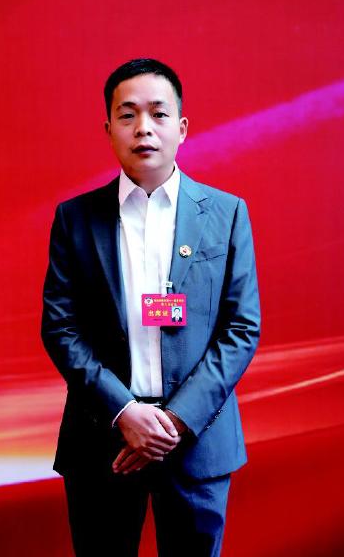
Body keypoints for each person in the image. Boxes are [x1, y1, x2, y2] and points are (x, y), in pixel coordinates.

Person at [41, 58, 260, 557]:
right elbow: (60, 328)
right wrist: (124, 412)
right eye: (128, 115)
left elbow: (241, 327)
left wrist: (176, 420)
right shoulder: (75, 219)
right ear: (109, 130)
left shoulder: (227, 214)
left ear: (181, 128)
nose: (144, 128)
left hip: (198, 440)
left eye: (159, 114)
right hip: (102, 438)